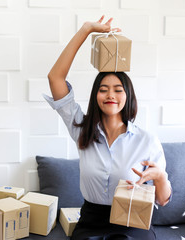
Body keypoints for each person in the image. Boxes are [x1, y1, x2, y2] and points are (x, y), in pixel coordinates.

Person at [44, 16, 172, 240]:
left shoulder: (146, 140)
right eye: (103, 89)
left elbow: (162, 200)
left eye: (118, 89)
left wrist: (160, 177)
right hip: (92, 222)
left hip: (133, 223)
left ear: (128, 95)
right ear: (96, 96)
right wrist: (86, 30)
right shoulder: (82, 131)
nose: (110, 95)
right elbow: (55, 77)